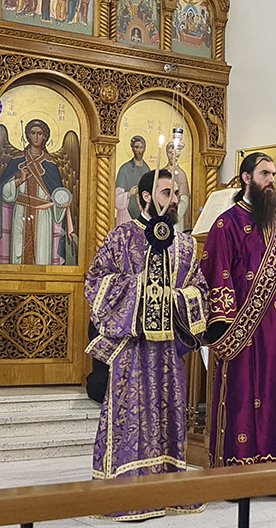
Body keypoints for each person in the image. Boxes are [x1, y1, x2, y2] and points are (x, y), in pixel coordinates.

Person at [85, 168, 208, 521]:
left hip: (168, 351)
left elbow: (200, 290)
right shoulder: (122, 237)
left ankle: (166, 486)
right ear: (145, 197)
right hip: (133, 349)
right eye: (165, 193)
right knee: (130, 412)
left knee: (168, 412)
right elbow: (96, 282)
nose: (173, 200)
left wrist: (175, 298)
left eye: (175, 194)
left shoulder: (185, 244)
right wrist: (142, 291)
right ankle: (124, 487)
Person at [201, 152, 276, 468]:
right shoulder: (226, 224)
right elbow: (217, 273)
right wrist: (226, 325)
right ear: (246, 178)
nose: (271, 181)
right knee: (242, 395)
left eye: (274, 174)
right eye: (265, 174)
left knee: (275, 390)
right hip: (240, 328)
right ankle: (238, 468)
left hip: (274, 327)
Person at [0, 119, 73, 265]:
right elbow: (4, 193)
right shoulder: (17, 160)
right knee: (17, 251)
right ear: (27, 135)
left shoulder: (50, 164)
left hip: (43, 215)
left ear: (45, 136)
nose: (36, 137)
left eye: (40, 133)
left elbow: (56, 194)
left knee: (41, 253)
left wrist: (61, 206)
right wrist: (19, 180)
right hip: (20, 210)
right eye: (33, 133)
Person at [115, 135, 149, 226]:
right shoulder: (125, 169)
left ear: (144, 149)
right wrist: (129, 194)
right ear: (132, 148)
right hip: (127, 215)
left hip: (144, 216)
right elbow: (117, 199)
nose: (138, 150)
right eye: (136, 147)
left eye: (141, 147)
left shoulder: (147, 169)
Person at [165, 141, 192, 232]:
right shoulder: (162, 172)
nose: (172, 156)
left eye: (174, 153)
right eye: (170, 153)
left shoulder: (181, 174)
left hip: (175, 217)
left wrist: (175, 217)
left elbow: (184, 200)